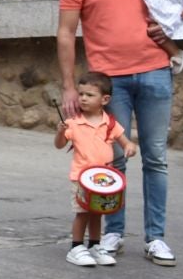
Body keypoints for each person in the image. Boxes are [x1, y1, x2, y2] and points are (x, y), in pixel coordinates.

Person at [57, 0, 175, 266]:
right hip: (110, 82)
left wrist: (169, 31)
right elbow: (66, 33)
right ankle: (113, 232)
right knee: (113, 159)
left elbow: (174, 4)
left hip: (155, 70)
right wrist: (69, 86)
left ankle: (156, 238)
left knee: (155, 158)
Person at [57, 72, 135, 267]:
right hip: (81, 178)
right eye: (81, 94)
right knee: (82, 212)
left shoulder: (110, 122)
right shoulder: (73, 122)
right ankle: (76, 247)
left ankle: (94, 245)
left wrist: (129, 147)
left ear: (105, 99)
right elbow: (59, 145)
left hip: (103, 179)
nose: (83, 98)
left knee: (97, 213)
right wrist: (60, 132)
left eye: (90, 95)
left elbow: (126, 142)